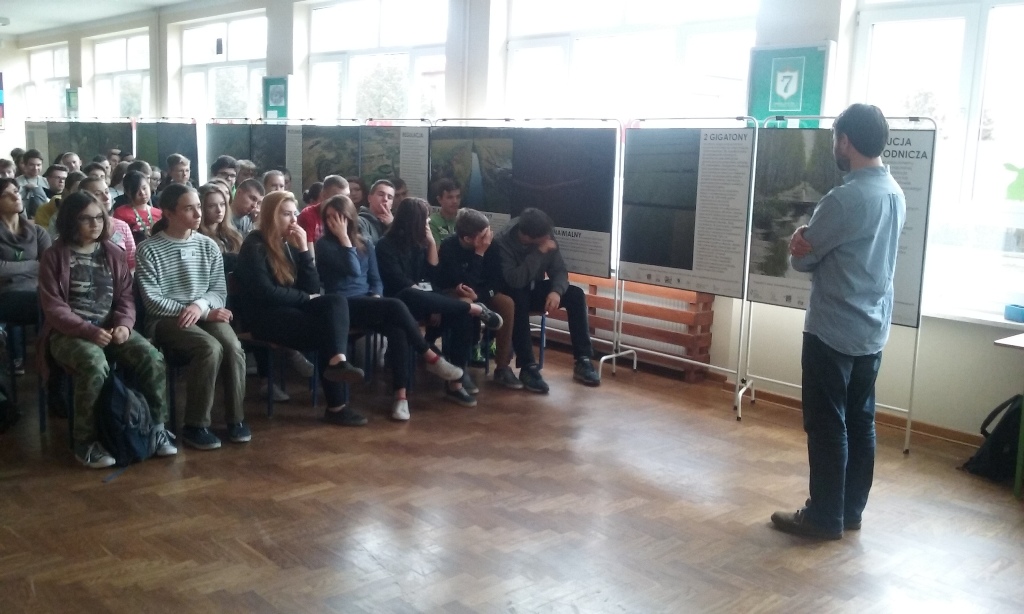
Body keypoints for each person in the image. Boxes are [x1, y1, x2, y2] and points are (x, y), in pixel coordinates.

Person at [771, 104, 907, 541]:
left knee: (827, 424)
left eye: (835, 138)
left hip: (832, 329)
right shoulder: (894, 192)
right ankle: (849, 511)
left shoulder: (844, 199)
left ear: (845, 141)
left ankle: (823, 517)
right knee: (860, 422)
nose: (835, 146)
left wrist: (799, 242)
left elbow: (803, 259)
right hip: (872, 329)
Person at [37, 191, 177, 469]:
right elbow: (54, 308)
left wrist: (124, 325)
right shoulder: (54, 256)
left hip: (111, 328)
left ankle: (156, 429)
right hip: (68, 334)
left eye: (99, 218)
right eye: (85, 219)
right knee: (94, 363)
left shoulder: (113, 252)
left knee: (152, 357)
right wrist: (88, 331)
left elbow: (126, 297)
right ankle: (85, 442)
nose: (95, 224)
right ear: (70, 221)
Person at [316, 195, 466, 422]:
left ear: (350, 217)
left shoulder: (366, 243)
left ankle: (400, 397)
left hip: (368, 302)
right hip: (342, 306)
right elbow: (353, 269)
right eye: (329, 218)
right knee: (396, 303)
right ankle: (430, 356)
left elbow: (375, 279)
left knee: (398, 329)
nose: (334, 222)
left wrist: (376, 297)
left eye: (339, 217)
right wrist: (345, 239)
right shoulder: (324, 245)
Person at [234, 191, 370, 424]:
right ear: (271, 216)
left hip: (289, 310)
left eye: (294, 214)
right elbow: (266, 293)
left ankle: (338, 362)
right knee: (326, 330)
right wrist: (305, 298)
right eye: (286, 214)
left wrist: (305, 251)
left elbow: (312, 286)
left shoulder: (288, 244)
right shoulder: (254, 246)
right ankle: (336, 406)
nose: (293, 220)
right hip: (263, 317)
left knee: (335, 301)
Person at [136, 183, 250, 451]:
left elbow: (218, 291)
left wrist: (201, 307)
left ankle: (236, 419)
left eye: (199, 207)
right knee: (208, 347)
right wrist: (198, 310)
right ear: (168, 213)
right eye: (189, 209)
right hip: (165, 319)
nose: (198, 214)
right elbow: (153, 301)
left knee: (232, 347)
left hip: (203, 312)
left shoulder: (208, 245)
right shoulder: (149, 249)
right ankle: (195, 425)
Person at [376, 197, 503, 407]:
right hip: (398, 304)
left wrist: (432, 245)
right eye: (425, 220)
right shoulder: (385, 245)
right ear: (413, 222)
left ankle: (456, 383)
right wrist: (432, 301)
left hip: (428, 302)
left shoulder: (421, 244)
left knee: (461, 316)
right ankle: (473, 308)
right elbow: (399, 282)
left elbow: (433, 277)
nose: (428, 224)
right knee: (411, 293)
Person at [494, 207, 601, 393]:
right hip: (510, 292)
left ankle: (583, 359)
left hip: (535, 287)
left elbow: (559, 270)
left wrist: (556, 292)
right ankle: (528, 367)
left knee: (576, 295)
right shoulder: (503, 241)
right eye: (544, 238)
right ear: (528, 237)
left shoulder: (544, 234)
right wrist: (539, 253)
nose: (549, 239)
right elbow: (514, 280)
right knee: (518, 300)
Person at [434, 208, 520, 389]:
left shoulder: (492, 246)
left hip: (481, 292)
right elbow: (463, 283)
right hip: (454, 292)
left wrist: (480, 296)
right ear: (467, 239)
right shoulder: (449, 247)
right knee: (466, 304)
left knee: (507, 303)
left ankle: (502, 367)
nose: (489, 237)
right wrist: (479, 254)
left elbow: (498, 281)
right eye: (483, 235)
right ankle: (461, 368)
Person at [0, 177, 52, 374]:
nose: (16, 196)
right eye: (6, 194)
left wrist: (12, 267)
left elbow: (49, 266)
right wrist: (34, 265)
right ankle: (21, 358)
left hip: (38, 291)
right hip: (5, 294)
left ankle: (47, 361)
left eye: (16, 191)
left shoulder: (37, 231)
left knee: (52, 303)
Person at [197, 181, 243, 276]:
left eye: (222, 204)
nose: (219, 210)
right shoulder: (197, 238)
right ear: (201, 208)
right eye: (212, 206)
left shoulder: (234, 234)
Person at [297, 175, 348, 245]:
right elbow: (309, 250)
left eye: (347, 197)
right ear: (323, 195)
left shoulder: (347, 214)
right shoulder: (309, 214)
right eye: (337, 198)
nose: (343, 202)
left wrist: (343, 236)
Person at [113, 171, 161, 245]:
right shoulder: (120, 213)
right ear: (127, 192)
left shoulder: (159, 213)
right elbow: (117, 241)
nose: (142, 193)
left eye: (144, 188)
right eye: (136, 190)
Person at [358, 179, 395, 245]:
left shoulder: (395, 224)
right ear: (369, 198)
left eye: (389, 197)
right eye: (381, 194)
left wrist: (392, 225)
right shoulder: (360, 222)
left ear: (392, 205)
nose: (385, 199)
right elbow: (368, 248)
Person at [428, 178, 461, 245]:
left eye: (458, 197)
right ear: (439, 199)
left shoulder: (465, 219)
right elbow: (436, 250)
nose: (455, 201)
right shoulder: (432, 222)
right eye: (450, 197)